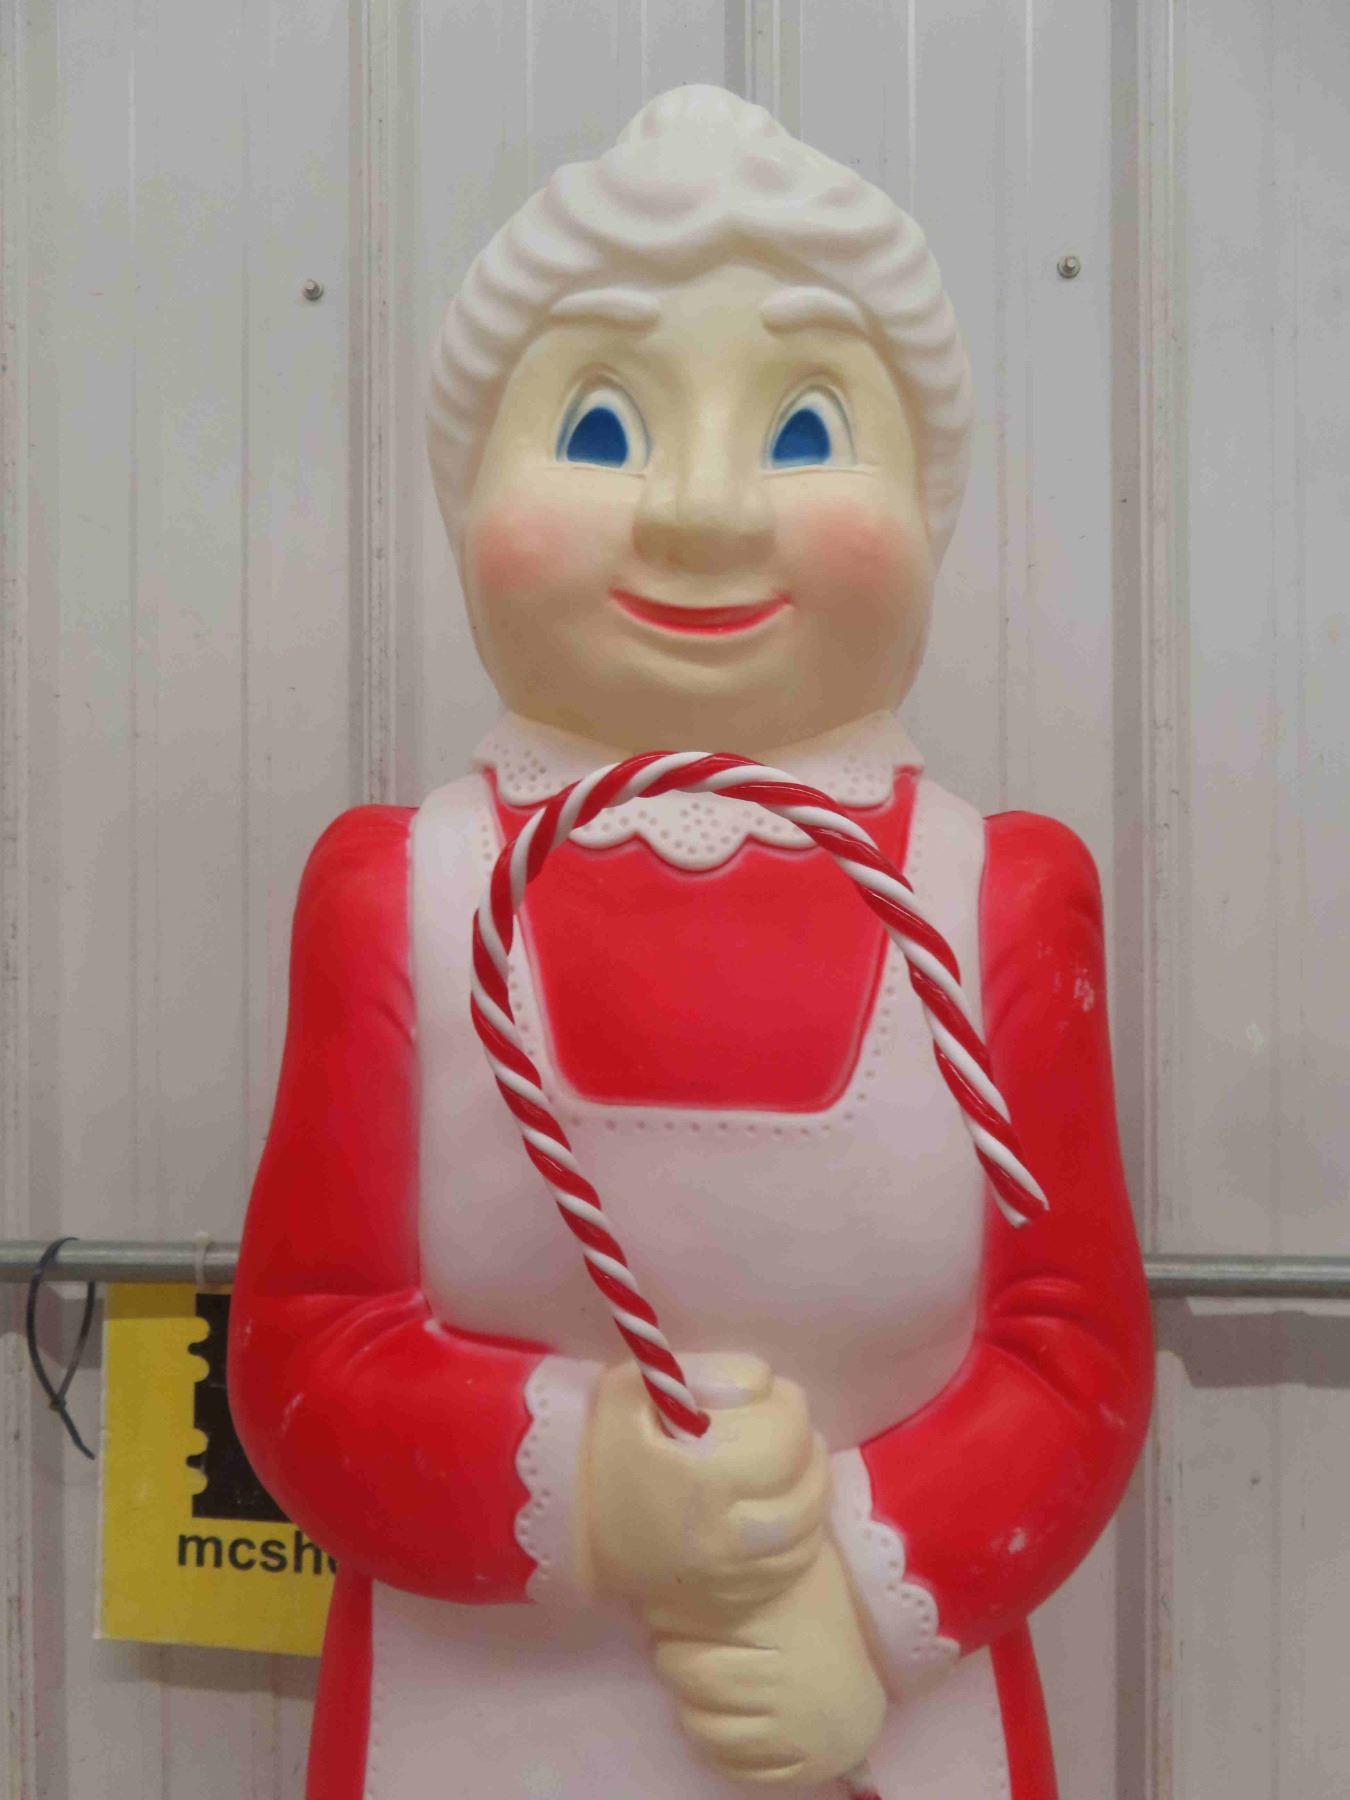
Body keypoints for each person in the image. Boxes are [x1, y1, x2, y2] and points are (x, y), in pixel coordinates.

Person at [229, 84, 1153, 1800]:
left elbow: (1068, 1357)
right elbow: (308, 1351)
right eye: (599, 429)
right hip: (482, 1711)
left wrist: (858, 1606)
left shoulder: (1001, 902)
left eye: (804, 432)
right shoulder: (396, 895)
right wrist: (589, 1491)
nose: (707, 515)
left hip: (884, 1721)